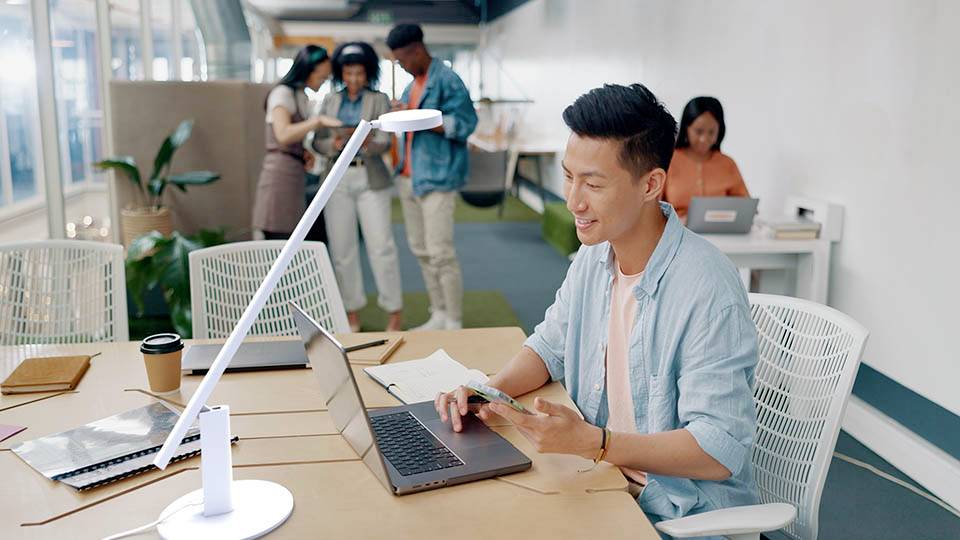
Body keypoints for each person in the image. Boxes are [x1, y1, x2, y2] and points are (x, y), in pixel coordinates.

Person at [435, 84, 759, 531]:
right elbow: (549, 347)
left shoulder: (707, 289)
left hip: (675, 511)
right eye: (569, 176)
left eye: (593, 183)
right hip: (600, 478)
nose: (573, 200)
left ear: (651, 184)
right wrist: (488, 391)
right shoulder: (594, 256)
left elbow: (718, 448)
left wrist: (598, 443)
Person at [386, 23, 478, 331]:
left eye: (402, 60)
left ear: (416, 50)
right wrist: (402, 112)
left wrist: (425, 120)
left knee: (441, 252)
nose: (401, 65)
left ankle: (453, 319)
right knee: (421, 250)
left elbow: (466, 123)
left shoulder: (448, 80)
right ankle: (437, 312)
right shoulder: (410, 86)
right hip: (408, 176)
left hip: (437, 178)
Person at [313, 42, 403, 332]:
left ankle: (394, 313)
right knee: (343, 250)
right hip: (337, 178)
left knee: (382, 247)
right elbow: (317, 140)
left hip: (370, 177)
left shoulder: (379, 99)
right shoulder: (330, 100)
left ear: (368, 74)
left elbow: (386, 141)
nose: (354, 79)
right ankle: (352, 314)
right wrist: (335, 144)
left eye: (360, 73)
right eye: (349, 73)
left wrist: (366, 142)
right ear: (341, 73)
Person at [253, 45, 341, 241]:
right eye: (321, 77)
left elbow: (291, 137)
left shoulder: (300, 94)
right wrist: (317, 121)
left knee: (292, 235)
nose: (323, 82)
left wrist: (302, 151)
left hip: (293, 172)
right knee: (278, 236)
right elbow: (283, 134)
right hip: (279, 175)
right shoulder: (282, 93)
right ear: (307, 71)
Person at [664, 96, 749, 220]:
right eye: (698, 131)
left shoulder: (727, 163)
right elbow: (652, 208)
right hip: (678, 232)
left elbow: (745, 207)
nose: (704, 139)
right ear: (686, 128)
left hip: (722, 234)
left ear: (720, 131)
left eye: (711, 132)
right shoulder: (668, 160)